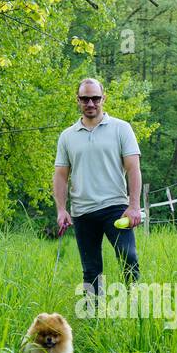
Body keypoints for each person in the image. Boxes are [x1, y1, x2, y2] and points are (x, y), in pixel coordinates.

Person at [52, 77, 142, 310]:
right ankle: (93, 317)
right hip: (83, 212)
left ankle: (133, 309)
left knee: (128, 257)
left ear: (104, 98)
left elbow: (133, 168)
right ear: (78, 100)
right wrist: (61, 210)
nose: (90, 103)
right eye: (85, 98)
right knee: (91, 269)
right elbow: (61, 174)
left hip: (116, 208)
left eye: (95, 98)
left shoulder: (122, 128)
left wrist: (134, 206)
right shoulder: (67, 136)